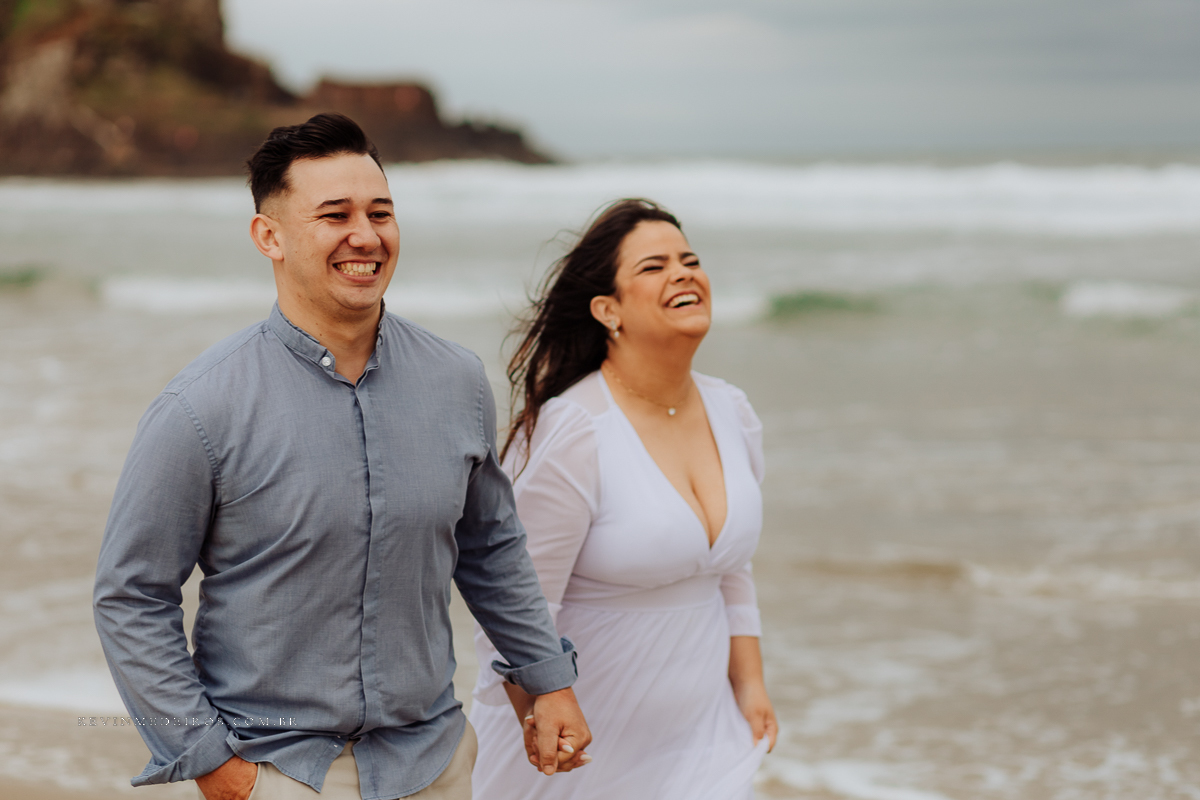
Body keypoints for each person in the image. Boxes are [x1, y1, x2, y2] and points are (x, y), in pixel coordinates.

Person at [93, 113, 590, 800]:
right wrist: (211, 763)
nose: (366, 235)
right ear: (269, 236)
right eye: (335, 215)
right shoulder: (200, 407)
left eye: (380, 213)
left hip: (433, 764)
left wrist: (548, 681)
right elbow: (131, 595)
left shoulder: (457, 381)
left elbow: (489, 547)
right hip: (274, 771)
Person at [468, 198, 777, 799]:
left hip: (702, 736)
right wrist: (540, 713)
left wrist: (750, 684)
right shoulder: (575, 429)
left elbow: (732, 569)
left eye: (690, 261)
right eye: (654, 266)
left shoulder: (732, 410)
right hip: (578, 745)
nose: (683, 273)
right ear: (608, 310)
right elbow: (515, 597)